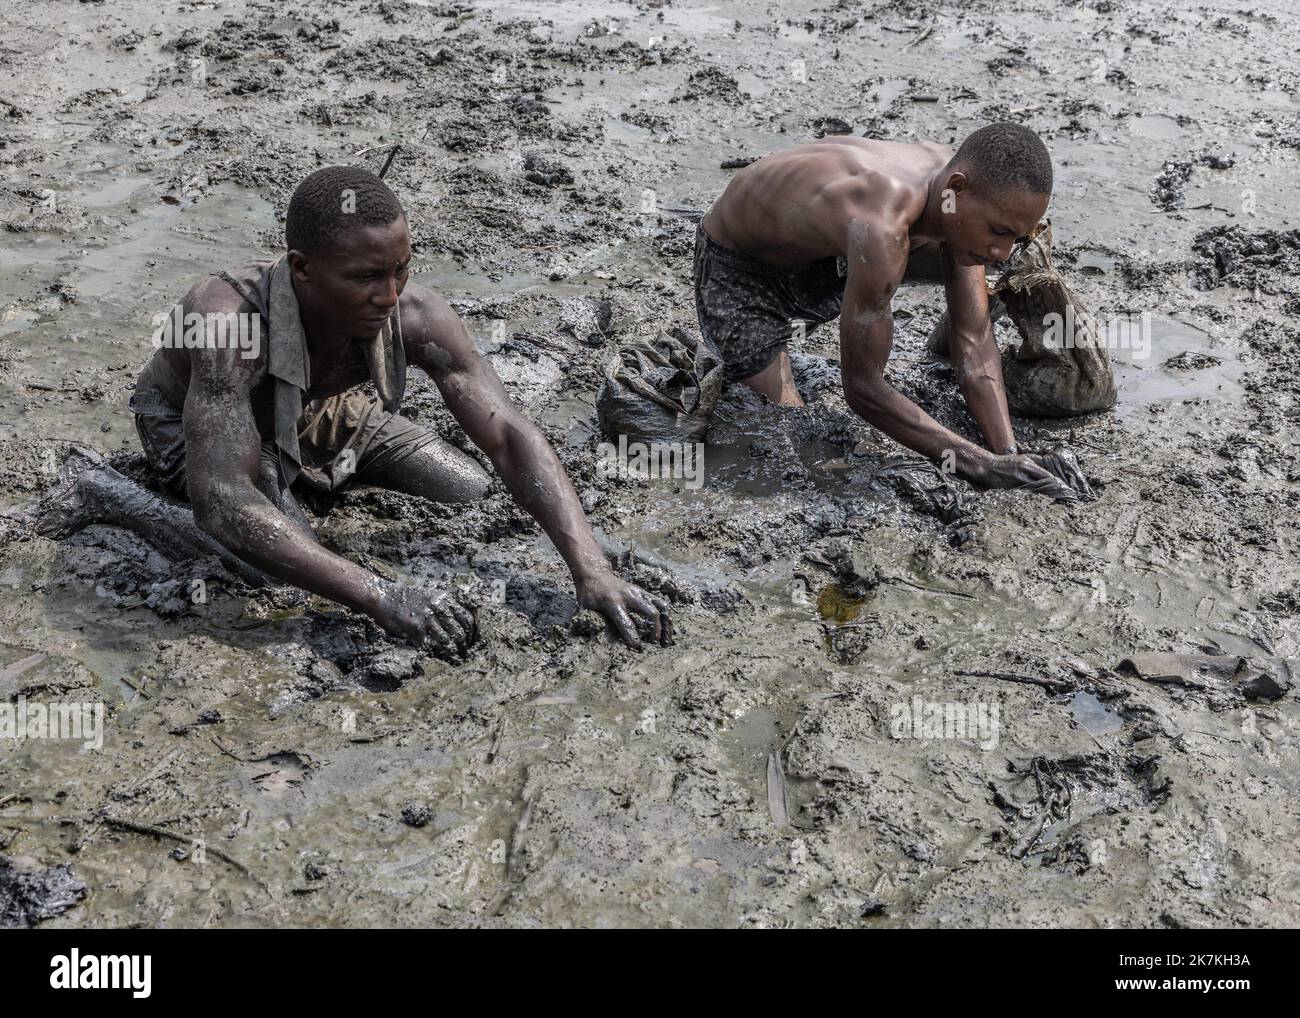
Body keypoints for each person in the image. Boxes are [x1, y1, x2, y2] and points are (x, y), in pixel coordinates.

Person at [41, 165, 670, 655]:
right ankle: (110, 495)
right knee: (267, 567)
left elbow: (509, 436)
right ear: (303, 269)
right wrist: (380, 595)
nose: (389, 295)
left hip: (332, 412)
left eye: (400, 270)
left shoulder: (415, 314)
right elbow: (224, 497)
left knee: (472, 494)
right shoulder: (227, 322)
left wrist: (591, 569)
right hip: (210, 427)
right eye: (368, 276)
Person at [694, 122, 1076, 497]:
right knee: (789, 425)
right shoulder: (884, 227)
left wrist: (1009, 453)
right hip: (741, 271)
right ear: (956, 189)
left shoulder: (960, 184)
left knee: (974, 258)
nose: (1003, 252)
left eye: (1016, 236)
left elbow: (973, 334)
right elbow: (862, 388)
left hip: (832, 253)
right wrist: (980, 465)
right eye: (998, 231)